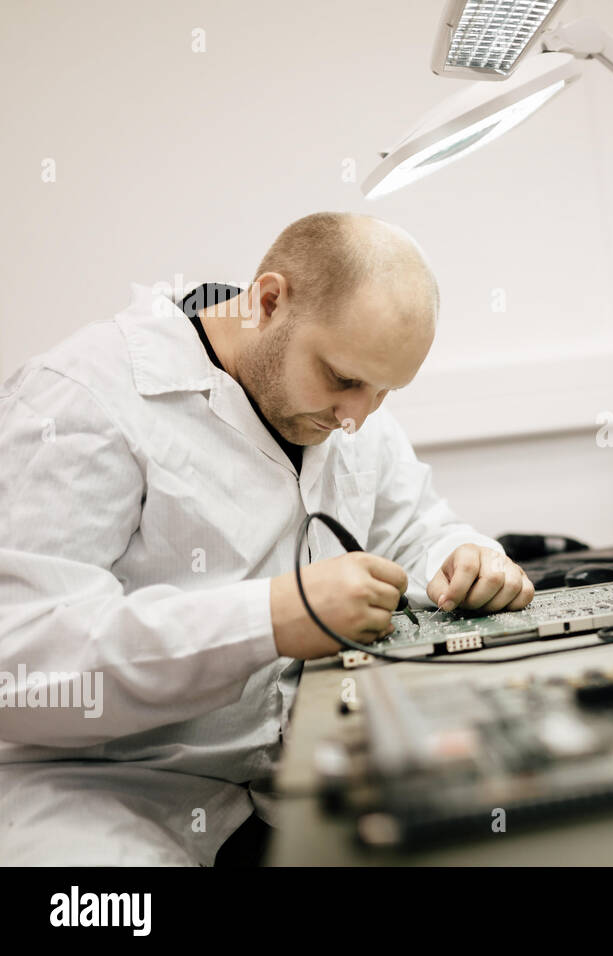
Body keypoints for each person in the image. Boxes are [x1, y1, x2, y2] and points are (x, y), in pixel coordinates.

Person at [0, 211, 534, 865]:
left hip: (295, 787)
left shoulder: (348, 412)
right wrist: (271, 617)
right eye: (343, 380)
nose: (356, 419)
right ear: (268, 301)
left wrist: (465, 557)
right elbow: (19, 670)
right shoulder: (81, 399)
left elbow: (418, 529)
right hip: (109, 800)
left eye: (384, 392)